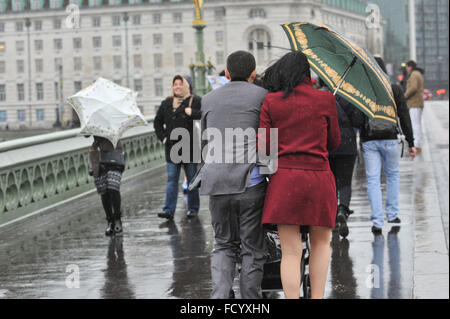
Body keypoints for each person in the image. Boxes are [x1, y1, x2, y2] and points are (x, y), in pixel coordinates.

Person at [259, 51, 341, 299]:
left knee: (291, 252)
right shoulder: (325, 99)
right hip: (318, 179)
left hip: (285, 182)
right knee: (321, 245)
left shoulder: (271, 102)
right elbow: (334, 142)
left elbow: (263, 147)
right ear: (308, 74)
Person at [190, 51, 268, 299]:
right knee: (251, 248)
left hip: (216, 182)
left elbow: (205, 140)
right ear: (254, 74)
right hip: (250, 182)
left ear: (226, 73)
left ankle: (220, 298)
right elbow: (268, 141)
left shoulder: (209, 99)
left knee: (223, 244)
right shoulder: (263, 96)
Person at [360, 57, 416, 235]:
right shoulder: (395, 89)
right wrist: (411, 142)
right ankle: (392, 214)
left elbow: (358, 116)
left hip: (369, 140)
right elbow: (404, 116)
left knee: (373, 180)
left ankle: (377, 221)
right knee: (392, 176)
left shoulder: (364, 90)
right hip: (390, 138)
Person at [317, 78, 361, 238]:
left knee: (331, 182)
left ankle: (334, 214)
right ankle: (343, 209)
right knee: (345, 182)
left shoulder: (319, 96)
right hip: (347, 144)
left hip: (327, 144)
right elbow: (358, 121)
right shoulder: (350, 96)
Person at [154, 75, 201, 220]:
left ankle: (193, 209)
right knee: (172, 180)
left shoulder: (196, 101)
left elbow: (204, 116)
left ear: (188, 86)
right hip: (172, 147)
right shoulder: (167, 103)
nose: (177, 87)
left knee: (192, 180)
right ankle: (168, 210)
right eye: (175, 84)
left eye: (181, 84)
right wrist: (163, 138)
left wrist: (191, 112)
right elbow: (157, 123)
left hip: (190, 146)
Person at [88, 135, 125, 236]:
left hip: (114, 156)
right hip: (98, 160)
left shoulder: (114, 125)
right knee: (104, 192)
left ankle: (117, 219)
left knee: (113, 188)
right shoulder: (94, 122)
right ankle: (110, 221)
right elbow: (86, 135)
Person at [404, 60, 425, 153]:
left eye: (407, 67)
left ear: (410, 66)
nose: (406, 69)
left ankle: (416, 145)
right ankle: (418, 145)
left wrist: (404, 96)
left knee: (415, 124)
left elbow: (413, 87)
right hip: (418, 102)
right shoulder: (418, 74)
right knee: (418, 124)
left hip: (414, 103)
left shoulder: (414, 75)